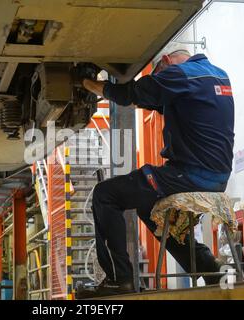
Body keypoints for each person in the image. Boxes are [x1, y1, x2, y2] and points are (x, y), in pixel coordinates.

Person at [79, 46, 235, 297]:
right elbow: (158, 102)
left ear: (165, 62)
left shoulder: (180, 75)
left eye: (158, 75)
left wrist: (90, 85)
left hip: (190, 174)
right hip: (217, 177)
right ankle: (208, 267)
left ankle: (119, 279)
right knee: (150, 208)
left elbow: (131, 94)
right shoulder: (217, 75)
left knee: (105, 194)